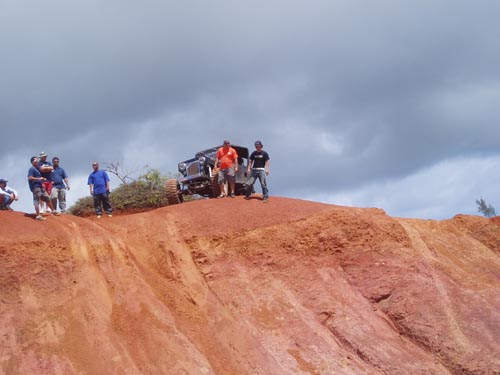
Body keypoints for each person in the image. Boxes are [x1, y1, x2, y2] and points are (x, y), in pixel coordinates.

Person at [28, 156, 59, 221]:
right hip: (35, 187)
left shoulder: (37, 169)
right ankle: (38, 215)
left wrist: (42, 179)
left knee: (47, 198)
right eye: (35, 160)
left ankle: (53, 211)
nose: (37, 161)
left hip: (40, 186)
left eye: (37, 160)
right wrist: (39, 178)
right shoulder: (32, 169)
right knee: (37, 200)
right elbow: (30, 178)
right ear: (32, 162)